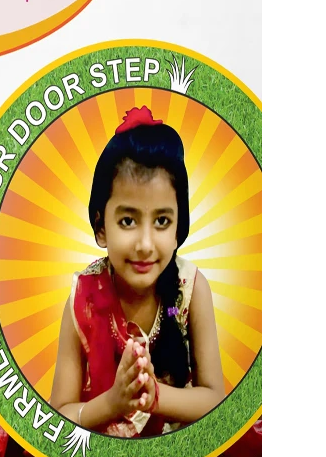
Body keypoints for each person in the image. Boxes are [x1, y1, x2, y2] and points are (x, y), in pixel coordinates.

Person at [50, 107, 226, 437]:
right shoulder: (84, 299)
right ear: (101, 227)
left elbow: (215, 400)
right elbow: (59, 416)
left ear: (178, 228)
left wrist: (155, 396)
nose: (145, 244)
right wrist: (113, 403)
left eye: (162, 221)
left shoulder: (189, 290)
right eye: (128, 221)